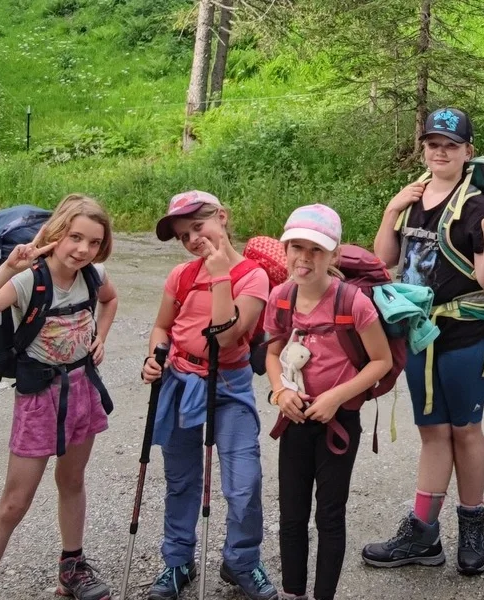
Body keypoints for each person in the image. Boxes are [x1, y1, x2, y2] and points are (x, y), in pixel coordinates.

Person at [361, 107, 484, 576]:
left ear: (468, 152)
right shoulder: (412, 198)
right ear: (424, 148)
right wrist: (391, 208)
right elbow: (383, 260)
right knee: (432, 432)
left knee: (465, 432)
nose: (440, 152)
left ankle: (472, 525)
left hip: (466, 334)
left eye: (450, 145)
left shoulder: (474, 207)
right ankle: (424, 533)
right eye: (433, 144)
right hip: (419, 332)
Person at [0, 194, 122, 600]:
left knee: (73, 480)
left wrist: (101, 337)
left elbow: (110, 300)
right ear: (57, 234)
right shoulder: (29, 278)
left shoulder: (94, 274)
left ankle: (72, 570)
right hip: (39, 398)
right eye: (75, 237)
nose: (83, 249)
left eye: (93, 242)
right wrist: (9, 269)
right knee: (14, 501)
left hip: (83, 389)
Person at [138, 190, 280, 600]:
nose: (192, 240)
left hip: (229, 384)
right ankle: (179, 560)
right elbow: (162, 327)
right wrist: (154, 357)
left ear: (222, 217)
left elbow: (228, 335)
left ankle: (242, 561)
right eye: (184, 235)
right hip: (179, 379)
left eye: (198, 227)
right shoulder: (180, 276)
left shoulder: (253, 276)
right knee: (181, 480)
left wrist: (219, 275)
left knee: (244, 481)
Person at [263, 205, 393, 600]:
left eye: (316, 250)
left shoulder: (353, 303)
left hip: (340, 421)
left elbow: (381, 361)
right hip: (296, 419)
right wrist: (281, 391)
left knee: (330, 515)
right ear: (285, 250)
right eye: (296, 247)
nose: (304, 258)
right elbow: (271, 354)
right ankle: (292, 593)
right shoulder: (280, 297)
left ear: (335, 255)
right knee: (291, 516)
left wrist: (337, 397)